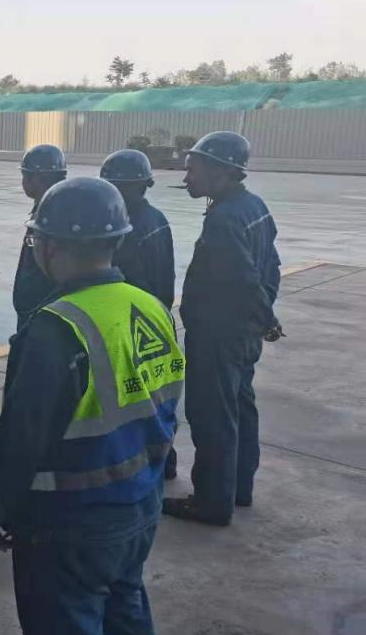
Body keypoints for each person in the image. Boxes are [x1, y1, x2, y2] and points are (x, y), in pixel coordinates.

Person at [0, 176, 184, 635]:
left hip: (72, 522)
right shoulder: (152, 308)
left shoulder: (55, 329)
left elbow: (21, 439)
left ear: (52, 246)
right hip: (141, 504)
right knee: (126, 609)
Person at [164, 132, 282, 526]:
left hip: (219, 334)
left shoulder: (224, 219)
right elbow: (271, 267)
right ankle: (237, 488)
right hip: (242, 332)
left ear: (221, 171)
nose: (187, 177)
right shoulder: (254, 206)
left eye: (194, 169)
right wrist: (263, 317)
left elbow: (245, 278)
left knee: (212, 415)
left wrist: (265, 317)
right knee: (240, 407)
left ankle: (212, 502)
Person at [101, 149, 178, 479]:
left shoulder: (127, 228)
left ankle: (153, 461)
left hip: (134, 322)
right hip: (156, 315)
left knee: (137, 400)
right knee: (154, 396)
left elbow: (127, 281)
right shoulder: (157, 218)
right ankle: (166, 458)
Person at [13, 144, 67, 331]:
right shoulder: (56, 208)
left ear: (35, 178)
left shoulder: (48, 217)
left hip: (40, 314)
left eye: (24, 176)